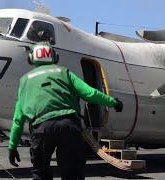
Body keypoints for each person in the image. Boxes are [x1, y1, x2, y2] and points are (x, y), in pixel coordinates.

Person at [8, 42, 123, 180]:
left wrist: (12, 147)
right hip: (69, 126)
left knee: (40, 173)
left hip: (41, 129)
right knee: (73, 174)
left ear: (31, 58)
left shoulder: (25, 81)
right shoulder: (64, 72)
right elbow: (89, 93)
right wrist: (113, 102)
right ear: (54, 57)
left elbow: (18, 120)